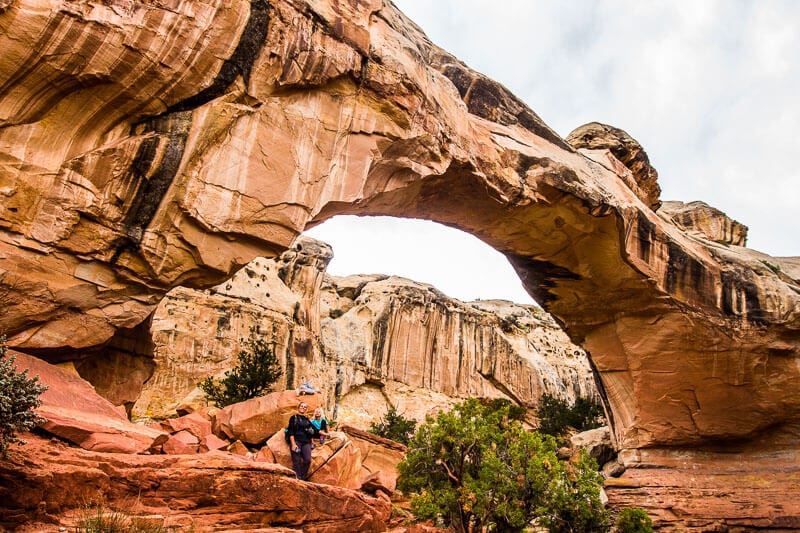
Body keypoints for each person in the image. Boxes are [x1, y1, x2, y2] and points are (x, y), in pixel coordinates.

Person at [286, 402, 318, 480]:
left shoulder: (307, 420)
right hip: (297, 441)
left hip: (306, 442)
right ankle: (298, 478)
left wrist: (325, 434)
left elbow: (313, 431)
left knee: (307, 460)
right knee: (296, 461)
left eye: (305, 407)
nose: (303, 408)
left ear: (306, 409)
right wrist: (293, 444)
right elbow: (291, 431)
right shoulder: (294, 417)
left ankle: (302, 478)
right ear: (298, 407)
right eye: (302, 406)